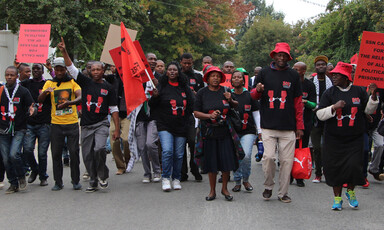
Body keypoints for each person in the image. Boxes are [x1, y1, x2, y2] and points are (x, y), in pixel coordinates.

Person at [58, 37, 120, 192]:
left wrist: (117, 129)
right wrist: (64, 51)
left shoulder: (109, 88)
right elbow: (71, 68)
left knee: (99, 149)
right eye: (93, 70)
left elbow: (113, 109)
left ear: (102, 71)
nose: (96, 72)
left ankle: (102, 176)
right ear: (90, 72)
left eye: (99, 69)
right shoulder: (85, 82)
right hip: (86, 125)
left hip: (101, 124)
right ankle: (93, 179)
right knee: (86, 155)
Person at [316, 62, 379, 210]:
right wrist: (333, 107)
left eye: (337, 75)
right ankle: (337, 198)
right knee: (335, 168)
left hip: (354, 138)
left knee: (353, 166)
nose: (334, 77)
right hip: (334, 138)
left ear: (346, 77)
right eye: (333, 75)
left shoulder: (359, 91)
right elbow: (319, 114)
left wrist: (373, 97)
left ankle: (350, 191)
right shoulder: (329, 93)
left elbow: (368, 111)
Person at [250, 42, 304, 203]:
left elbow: (298, 102)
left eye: (284, 55)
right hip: (268, 125)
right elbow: (253, 96)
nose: (281, 58)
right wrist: (258, 90)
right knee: (268, 158)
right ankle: (268, 185)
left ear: (288, 57)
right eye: (279, 55)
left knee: (287, 162)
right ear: (274, 56)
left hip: (288, 127)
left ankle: (283, 192)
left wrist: (300, 126)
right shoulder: (264, 73)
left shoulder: (293, 75)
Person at [194, 66, 240, 201]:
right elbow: (196, 112)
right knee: (211, 162)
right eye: (212, 76)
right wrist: (210, 116)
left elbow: (236, 106)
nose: (215, 78)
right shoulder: (202, 93)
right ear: (207, 78)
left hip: (225, 132)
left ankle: (225, 189)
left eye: (218, 76)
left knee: (226, 161)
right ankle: (212, 191)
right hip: (208, 132)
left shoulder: (226, 91)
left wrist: (230, 99)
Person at [38, 57, 82, 191]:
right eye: (56, 69)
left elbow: (80, 96)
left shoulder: (73, 83)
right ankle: (58, 182)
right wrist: (46, 92)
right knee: (56, 154)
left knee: (74, 153)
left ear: (65, 70)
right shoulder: (49, 83)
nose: (59, 72)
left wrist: (69, 103)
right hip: (56, 124)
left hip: (72, 123)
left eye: (61, 69)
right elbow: (39, 100)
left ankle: (75, 181)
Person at [149, 61, 194, 191]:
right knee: (167, 151)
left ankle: (176, 178)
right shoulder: (161, 86)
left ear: (178, 72)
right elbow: (153, 105)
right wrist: (155, 97)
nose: (172, 71)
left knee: (179, 154)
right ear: (166, 72)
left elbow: (191, 105)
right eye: (170, 70)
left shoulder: (184, 88)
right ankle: (166, 178)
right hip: (165, 125)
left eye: (175, 70)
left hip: (181, 125)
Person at [0, 66, 35, 194]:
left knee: (14, 154)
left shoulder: (23, 91)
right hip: (3, 129)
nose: (9, 77)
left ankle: (21, 177)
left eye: (12, 75)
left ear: (17, 76)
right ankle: (13, 183)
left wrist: (32, 110)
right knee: (5, 158)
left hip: (19, 128)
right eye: (7, 75)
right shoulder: (1, 91)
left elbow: (31, 105)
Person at [131, 53, 161, 183]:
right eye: (151, 59)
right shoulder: (137, 77)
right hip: (139, 117)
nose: (153, 61)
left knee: (150, 144)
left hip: (153, 117)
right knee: (142, 146)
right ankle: (147, 173)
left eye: (155, 59)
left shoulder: (160, 78)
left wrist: (158, 87)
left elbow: (164, 96)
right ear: (144, 61)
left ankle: (157, 171)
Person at [21, 63, 51, 187]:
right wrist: (18, 68)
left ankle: (43, 176)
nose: (35, 71)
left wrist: (51, 69)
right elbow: (17, 83)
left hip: (44, 123)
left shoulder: (48, 84)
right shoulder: (26, 84)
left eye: (38, 69)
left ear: (43, 71)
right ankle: (35, 169)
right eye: (33, 69)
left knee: (42, 153)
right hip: (29, 124)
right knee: (27, 150)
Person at [230, 70, 258, 192]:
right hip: (233, 131)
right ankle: (237, 181)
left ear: (243, 80)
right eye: (234, 77)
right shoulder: (228, 95)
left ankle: (245, 179)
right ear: (231, 80)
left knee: (246, 156)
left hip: (248, 130)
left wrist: (260, 130)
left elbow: (256, 113)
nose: (236, 79)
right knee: (236, 155)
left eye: (239, 77)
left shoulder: (250, 95)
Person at [292, 62, 316, 187]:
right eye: (293, 69)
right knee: (289, 149)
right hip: (290, 122)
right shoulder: (289, 82)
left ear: (303, 71)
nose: (294, 71)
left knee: (302, 148)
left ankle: (299, 176)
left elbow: (314, 105)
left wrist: (305, 102)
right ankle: (290, 174)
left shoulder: (310, 85)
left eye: (297, 69)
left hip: (305, 122)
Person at [180, 53, 203, 182]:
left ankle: (195, 168)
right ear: (181, 63)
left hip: (194, 115)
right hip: (180, 115)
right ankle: (182, 172)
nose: (187, 65)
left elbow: (202, 95)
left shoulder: (198, 77)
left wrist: (195, 94)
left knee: (193, 142)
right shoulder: (176, 76)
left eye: (189, 63)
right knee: (180, 145)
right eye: (185, 63)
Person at [310, 55, 333, 183]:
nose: (320, 67)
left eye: (323, 64)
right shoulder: (311, 81)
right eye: (318, 65)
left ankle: (328, 172)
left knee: (327, 146)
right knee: (317, 147)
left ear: (326, 66)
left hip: (329, 116)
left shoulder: (332, 81)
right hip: (315, 118)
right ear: (315, 67)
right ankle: (318, 173)